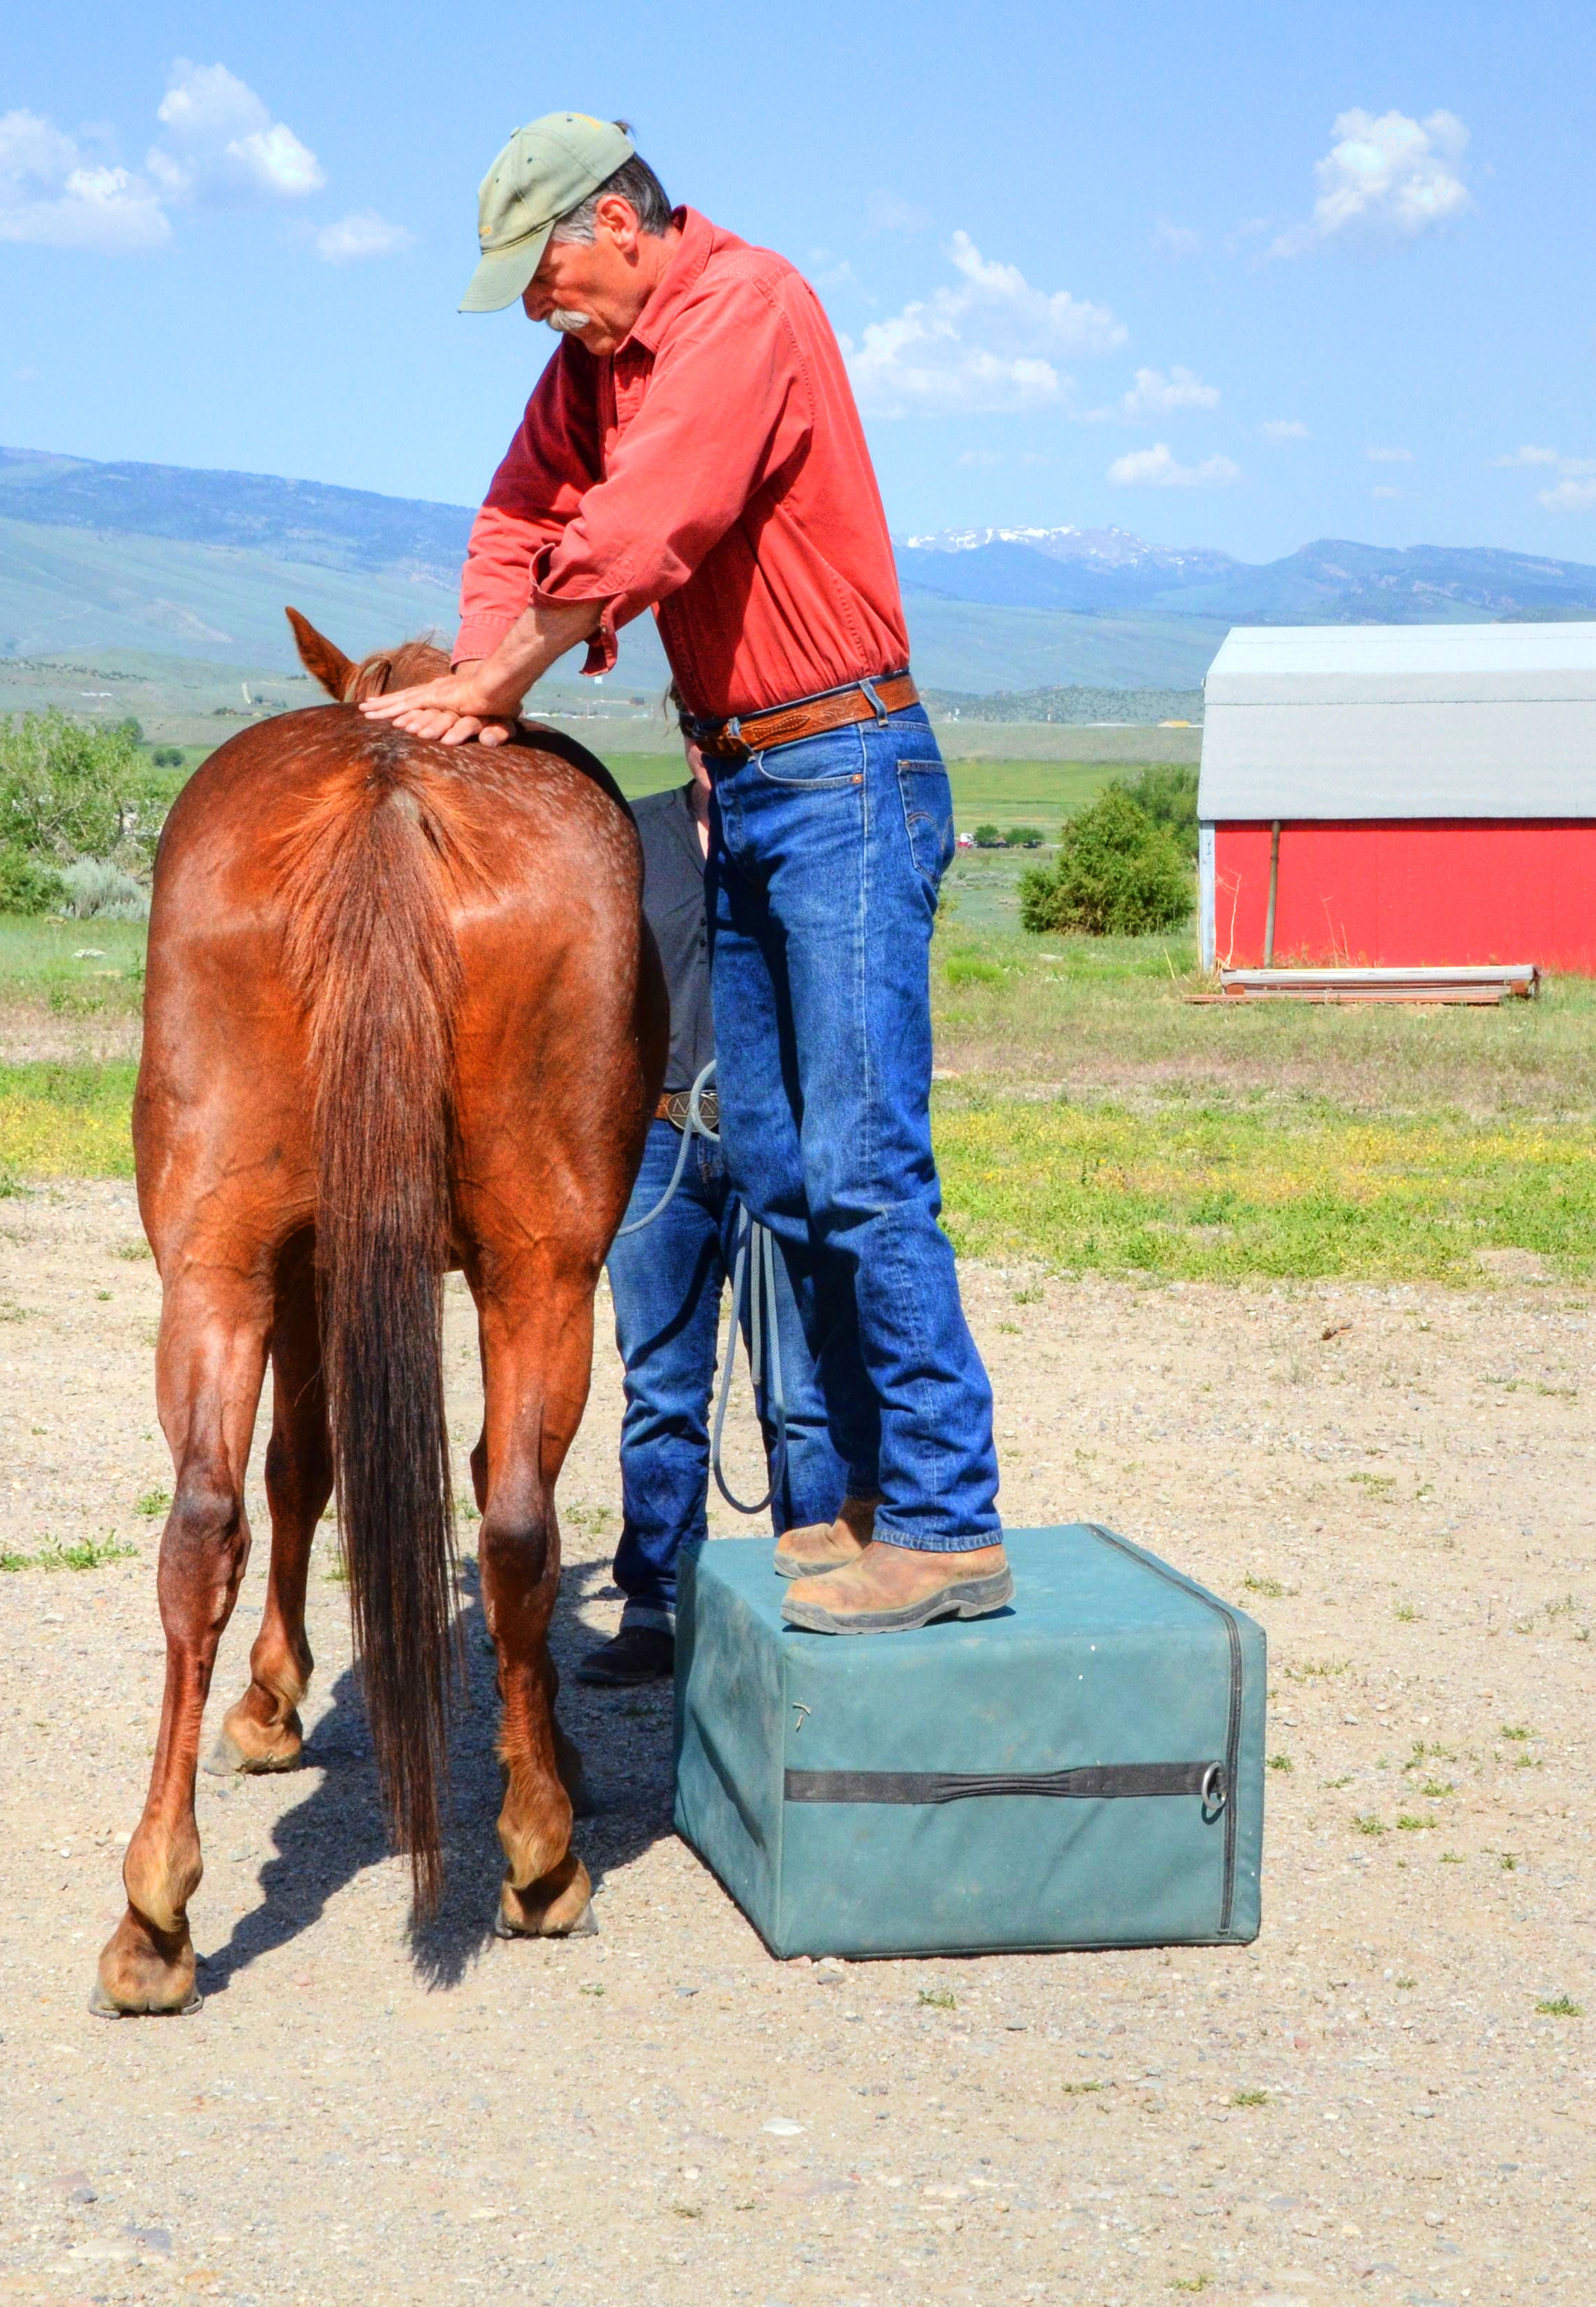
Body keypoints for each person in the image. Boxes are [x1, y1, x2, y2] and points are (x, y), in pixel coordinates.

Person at [363, 112, 1007, 1634]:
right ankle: (857, 1501)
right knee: (779, 1164)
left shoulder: (741, 309)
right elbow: (524, 512)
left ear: (619, 222)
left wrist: (502, 684)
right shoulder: (596, 365)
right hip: (748, 777)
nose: (537, 305)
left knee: (861, 1164)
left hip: (845, 769)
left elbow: (644, 530)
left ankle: (946, 1522)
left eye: (545, 271)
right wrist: (476, 670)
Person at [582, 734, 853, 1685]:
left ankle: (817, 1577)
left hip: (774, 1136)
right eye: (702, 728)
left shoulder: (799, 837)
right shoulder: (629, 837)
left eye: (734, 729)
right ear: (684, 733)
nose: (716, 747)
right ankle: (657, 1603)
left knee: (799, 1391)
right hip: (655, 1137)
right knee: (660, 1388)